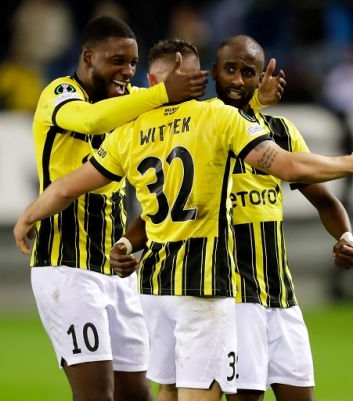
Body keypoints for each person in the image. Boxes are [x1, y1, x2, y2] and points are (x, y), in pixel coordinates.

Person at [14, 38, 353, 401]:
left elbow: (66, 188)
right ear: (203, 77)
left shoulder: (130, 130)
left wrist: (29, 215)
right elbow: (286, 164)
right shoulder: (218, 119)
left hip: (156, 287)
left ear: (152, 83)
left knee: (166, 390)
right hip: (204, 286)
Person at [112, 35, 353, 401]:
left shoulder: (280, 132)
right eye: (230, 70)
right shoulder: (206, 127)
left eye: (248, 73)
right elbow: (162, 212)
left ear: (261, 79)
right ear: (212, 73)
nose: (238, 80)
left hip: (280, 296)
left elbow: (323, 201)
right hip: (233, 298)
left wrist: (347, 236)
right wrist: (127, 242)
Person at [27, 16, 208, 401]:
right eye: (117, 61)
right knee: (96, 395)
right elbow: (92, 121)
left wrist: (255, 101)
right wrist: (160, 95)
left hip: (116, 267)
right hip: (66, 267)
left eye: (132, 62)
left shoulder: (131, 101)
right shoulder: (58, 93)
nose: (127, 72)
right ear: (88, 57)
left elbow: (195, 120)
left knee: (136, 393)